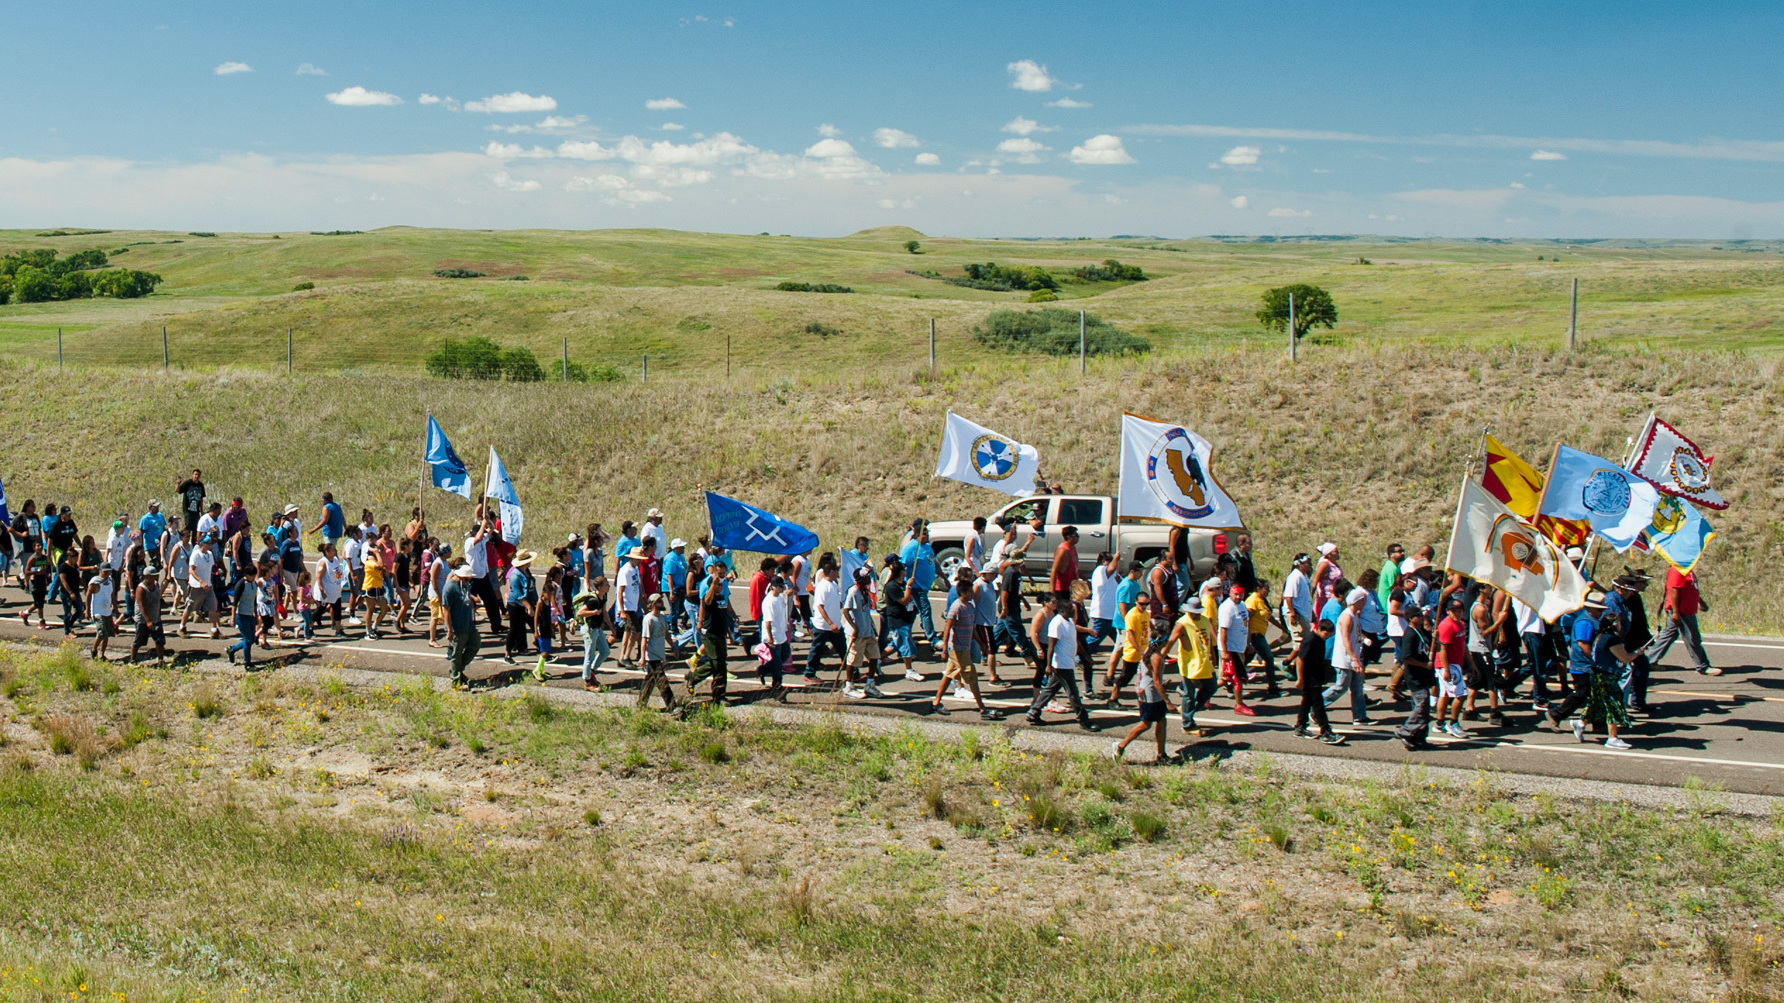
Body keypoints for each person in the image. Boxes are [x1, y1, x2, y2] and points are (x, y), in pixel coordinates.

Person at [935, 568, 1006, 721]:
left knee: (949, 674)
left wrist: (980, 643)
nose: (972, 594)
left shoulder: (970, 606)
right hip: (957, 648)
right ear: (962, 593)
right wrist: (945, 649)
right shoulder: (956, 607)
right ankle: (982, 709)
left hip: (965, 647)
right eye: (969, 592)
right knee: (972, 676)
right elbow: (948, 628)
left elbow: (973, 628)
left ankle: (936, 702)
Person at [1110, 606, 1177, 764]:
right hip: (1150, 693)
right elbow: (1157, 681)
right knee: (1146, 723)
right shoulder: (1156, 658)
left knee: (1161, 720)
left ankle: (1161, 754)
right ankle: (1120, 746)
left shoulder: (1149, 650)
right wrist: (1169, 702)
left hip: (1145, 689)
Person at [1646, 566, 1716, 675]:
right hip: (1682, 610)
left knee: (1670, 634)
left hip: (1687, 609)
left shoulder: (1687, 569)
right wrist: (1676, 612)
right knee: (1692, 637)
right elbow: (1674, 590)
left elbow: (1692, 588)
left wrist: (1700, 602)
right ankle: (1702, 666)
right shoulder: (1677, 570)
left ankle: (1648, 661)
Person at [1167, 595, 1217, 737]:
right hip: (1189, 663)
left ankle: (1188, 710)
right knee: (1189, 694)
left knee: (1212, 686)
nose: (1195, 614)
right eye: (1193, 612)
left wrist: (1212, 654)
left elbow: (1208, 639)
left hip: (1203, 661)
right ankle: (1187, 724)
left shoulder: (1205, 620)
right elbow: (1172, 640)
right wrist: (1161, 654)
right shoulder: (1182, 623)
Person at [1323, 587, 1373, 725]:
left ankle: (1360, 717)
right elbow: (1345, 639)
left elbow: (1355, 634)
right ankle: (1317, 705)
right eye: (1363, 601)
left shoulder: (1355, 615)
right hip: (1344, 659)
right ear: (1356, 601)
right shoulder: (1347, 617)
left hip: (1354, 657)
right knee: (1341, 687)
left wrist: (1364, 639)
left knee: (1357, 688)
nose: (1365, 603)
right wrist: (1354, 659)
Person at [1293, 617, 1345, 745]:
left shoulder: (1320, 639)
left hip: (1315, 675)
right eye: (1326, 634)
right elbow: (1300, 659)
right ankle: (1325, 730)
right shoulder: (1310, 640)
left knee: (1307, 701)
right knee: (1318, 704)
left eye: (1329, 635)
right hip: (1310, 676)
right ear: (1319, 629)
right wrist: (1300, 678)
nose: (1327, 637)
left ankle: (1300, 726)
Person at [1394, 606, 1437, 749]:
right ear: (1411, 619)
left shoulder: (1421, 631)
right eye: (1418, 615)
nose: (1421, 616)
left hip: (1425, 675)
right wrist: (1424, 665)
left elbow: (1430, 643)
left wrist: (1433, 634)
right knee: (1422, 704)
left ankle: (1419, 737)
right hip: (1415, 676)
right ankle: (1406, 730)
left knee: (1424, 710)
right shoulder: (1410, 635)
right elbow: (1406, 657)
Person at [840, 567, 885, 699]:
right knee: (853, 659)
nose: (868, 578)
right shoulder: (853, 591)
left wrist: (872, 628)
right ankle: (849, 686)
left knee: (874, 656)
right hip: (857, 633)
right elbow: (846, 611)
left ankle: (870, 684)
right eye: (866, 576)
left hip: (868, 631)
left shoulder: (865, 591)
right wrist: (854, 627)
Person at [692, 561, 732, 704]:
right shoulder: (709, 592)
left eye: (722, 585)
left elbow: (723, 613)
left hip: (720, 632)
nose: (720, 586)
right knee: (718, 666)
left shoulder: (721, 596)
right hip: (710, 633)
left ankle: (693, 677)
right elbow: (706, 602)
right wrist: (713, 585)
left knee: (719, 663)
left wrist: (729, 632)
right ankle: (719, 696)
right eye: (718, 585)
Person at [1216, 584, 1258, 716]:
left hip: (1240, 647)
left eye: (1241, 594)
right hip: (1230, 648)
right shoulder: (1227, 608)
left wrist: (1248, 642)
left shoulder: (1242, 605)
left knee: (1226, 678)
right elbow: (1223, 631)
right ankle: (1239, 704)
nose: (1238, 597)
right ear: (1230, 593)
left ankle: (1203, 695)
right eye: (1236, 594)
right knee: (1235, 677)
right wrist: (1224, 651)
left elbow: (1246, 623)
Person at [1433, 598, 1471, 739]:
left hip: (1457, 663)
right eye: (1454, 611)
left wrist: (1470, 662)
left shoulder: (1460, 625)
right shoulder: (1447, 626)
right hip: (1448, 664)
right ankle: (1453, 723)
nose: (1457, 614)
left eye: (1459, 611)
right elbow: (1442, 649)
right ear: (1448, 611)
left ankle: (1439, 722)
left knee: (1445, 694)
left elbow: (1463, 645)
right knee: (1461, 694)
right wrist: (1447, 669)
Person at [880, 556, 922, 681]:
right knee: (905, 644)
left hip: (906, 618)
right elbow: (903, 601)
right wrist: (909, 587)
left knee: (895, 644)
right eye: (904, 569)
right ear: (900, 572)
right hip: (897, 620)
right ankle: (909, 670)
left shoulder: (902, 584)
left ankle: (876, 660)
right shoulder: (892, 587)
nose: (906, 571)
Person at [804, 554, 846, 680]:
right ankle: (809, 673)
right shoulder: (823, 586)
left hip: (835, 625)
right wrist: (830, 623)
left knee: (843, 649)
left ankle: (853, 672)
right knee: (816, 650)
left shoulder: (832, 584)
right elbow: (820, 607)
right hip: (823, 626)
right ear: (831, 571)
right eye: (836, 571)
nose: (838, 574)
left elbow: (832, 603)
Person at [1107, 592, 1151, 708]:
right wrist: (1139, 650)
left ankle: (1146, 699)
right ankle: (1113, 699)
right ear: (1136, 602)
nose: (1144, 606)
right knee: (1124, 677)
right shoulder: (1132, 615)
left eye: (1147, 604)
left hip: (1142, 651)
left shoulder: (1145, 614)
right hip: (1132, 653)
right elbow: (1130, 635)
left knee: (1145, 676)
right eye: (1142, 604)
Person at [899, 524, 940, 647]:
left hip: (925, 586)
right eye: (924, 534)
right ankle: (932, 639)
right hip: (917, 587)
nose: (927, 536)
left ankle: (905, 633)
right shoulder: (911, 548)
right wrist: (904, 585)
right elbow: (902, 566)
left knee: (914, 611)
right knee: (925, 610)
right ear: (917, 535)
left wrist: (943, 577)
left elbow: (933, 562)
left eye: (927, 533)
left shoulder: (927, 547)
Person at [1244, 578, 1285, 697]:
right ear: (1258, 589)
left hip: (1259, 634)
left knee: (1244, 660)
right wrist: (1248, 640)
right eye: (1266, 589)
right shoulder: (1252, 601)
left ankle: (1231, 681)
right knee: (1269, 658)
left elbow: (1269, 617)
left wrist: (1282, 627)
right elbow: (1247, 620)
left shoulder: (1262, 600)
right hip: (1254, 635)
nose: (1268, 591)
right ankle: (1272, 687)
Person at [461, 516, 502, 634]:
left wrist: (488, 521)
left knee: (492, 602)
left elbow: (492, 530)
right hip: (472, 578)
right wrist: (483, 525)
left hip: (484, 576)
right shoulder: (469, 542)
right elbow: (478, 537)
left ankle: (496, 625)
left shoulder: (483, 538)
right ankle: (470, 627)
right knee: (470, 604)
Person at [443, 563, 481, 690]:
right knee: (456, 653)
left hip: (468, 623)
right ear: (459, 577)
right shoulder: (450, 588)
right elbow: (446, 610)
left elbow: (466, 598)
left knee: (475, 644)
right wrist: (449, 629)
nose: (467, 582)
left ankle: (458, 670)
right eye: (466, 579)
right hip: (457, 627)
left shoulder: (465, 586)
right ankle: (455, 679)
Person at [638, 593, 677, 710]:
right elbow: (644, 639)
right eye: (659, 601)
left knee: (649, 681)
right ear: (653, 604)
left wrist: (673, 647)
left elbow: (666, 634)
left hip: (659, 655)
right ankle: (672, 705)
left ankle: (641, 703)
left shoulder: (662, 617)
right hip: (652, 656)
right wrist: (643, 657)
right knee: (662, 681)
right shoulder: (648, 619)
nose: (662, 603)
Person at [179, 534, 223, 639]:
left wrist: (217, 573)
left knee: (212, 607)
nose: (210, 545)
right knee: (190, 607)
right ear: (201, 544)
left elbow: (211, 568)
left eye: (210, 543)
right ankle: (182, 627)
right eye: (208, 543)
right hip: (196, 587)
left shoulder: (209, 554)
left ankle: (214, 630)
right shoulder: (196, 555)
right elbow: (191, 570)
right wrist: (201, 581)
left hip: (208, 586)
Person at [759, 575, 792, 700]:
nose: (782, 588)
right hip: (773, 635)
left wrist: (786, 624)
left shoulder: (780, 598)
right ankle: (777, 686)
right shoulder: (769, 601)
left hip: (781, 633)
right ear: (773, 587)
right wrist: (770, 638)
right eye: (779, 586)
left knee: (785, 654)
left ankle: (763, 669)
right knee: (777, 663)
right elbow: (768, 622)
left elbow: (782, 613)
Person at [128, 565, 168, 665]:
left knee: (160, 640)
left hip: (155, 618)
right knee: (138, 641)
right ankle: (132, 660)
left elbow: (158, 600)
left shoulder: (155, 585)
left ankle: (161, 660)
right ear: (146, 576)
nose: (156, 577)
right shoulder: (141, 589)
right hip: (143, 620)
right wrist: (148, 621)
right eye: (153, 575)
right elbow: (141, 606)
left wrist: (158, 614)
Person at [504, 551, 537, 664]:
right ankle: (508, 653)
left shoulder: (525, 572)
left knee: (535, 625)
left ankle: (543, 650)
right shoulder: (515, 575)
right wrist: (529, 607)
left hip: (526, 603)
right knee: (515, 628)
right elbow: (519, 595)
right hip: (515, 605)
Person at [225, 563, 261, 668]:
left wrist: (255, 614)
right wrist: (233, 618)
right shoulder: (241, 584)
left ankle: (232, 649)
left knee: (251, 639)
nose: (253, 577)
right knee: (248, 639)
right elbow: (235, 603)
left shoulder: (254, 584)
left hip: (250, 614)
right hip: (241, 615)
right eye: (252, 575)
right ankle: (247, 662)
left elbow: (254, 600)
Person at [532, 565, 561, 682]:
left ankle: (541, 670)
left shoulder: (548, 602)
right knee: (545, 652)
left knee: (547, 650)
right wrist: (535, 630)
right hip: (541, 628)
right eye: (548, 594)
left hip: (547, 627)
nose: (549, 597)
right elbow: (536, 616)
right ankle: (537, 669)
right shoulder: (541, 602)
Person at [1280, 553, 1314, 648]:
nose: (1310, 565)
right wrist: (1293, 614)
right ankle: (1290, 662)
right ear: (1299, 563)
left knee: (1306, 642)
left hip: (1304, 614)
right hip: (1297, 614)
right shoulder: (1294, 577)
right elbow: (1288, 597)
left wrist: (1312, 613)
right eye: (1307, 562)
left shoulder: (1304, 577)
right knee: (1300, 643)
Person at [616, 552, 644, 666]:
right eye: (637, 559)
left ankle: (622, 656)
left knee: (628, 632)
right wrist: (622, 610)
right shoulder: (625, 571)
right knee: (636, 630)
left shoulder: (635, 569)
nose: (639, 561)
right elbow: (620, 591)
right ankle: (626, 656)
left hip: (634, 606)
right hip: (627, 607)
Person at [86, 567, 117, 660]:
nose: (107, 574)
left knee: (107, 634)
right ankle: (93, 649)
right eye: (105, 572)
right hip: (97, 611)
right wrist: (87, 610)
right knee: (101, 633)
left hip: (107, 611)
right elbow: (88, 595)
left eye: (109, 572)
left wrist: (116, 608)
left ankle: (102, 654)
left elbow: (112, 595)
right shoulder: (95, 582)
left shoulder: (111, 581)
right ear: (100, 571)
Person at [55, 547, 83, 636]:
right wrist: (70, 593)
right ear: (69, 558)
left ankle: (69, 624)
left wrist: (85, 585)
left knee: (79, 610)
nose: (76, 561)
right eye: (75, 559)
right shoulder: (63, 567)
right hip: (66, 593)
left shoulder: (75, 566)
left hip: (76, 591)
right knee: (67, 612)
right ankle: (67, 631)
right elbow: (63, 581)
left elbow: (78, 577)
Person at [1050, 525, 1081, 598]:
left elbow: (1075, 567)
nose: (1078, 537)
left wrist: (1085, 579)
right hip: (1062, 589)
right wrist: (1052, 591)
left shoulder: (1072, 548)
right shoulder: (1062, 550)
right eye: (1075, 535)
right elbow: (1054, 570)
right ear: (1069, 537)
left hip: (1071, 587)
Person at [175, 469, 206, 534]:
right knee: (188, 526)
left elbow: (201, 499)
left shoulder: (201, 485)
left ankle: (194, 542)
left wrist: (202, 510)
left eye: (198, 475)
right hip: (187, 509)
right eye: (195, 474)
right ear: (192, 475)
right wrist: (178, 483)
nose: (196, 476)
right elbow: (178, 491)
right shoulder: (188, 483)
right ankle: (183, 538)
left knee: (196, 527)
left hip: (196, 510)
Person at [1376, 543, 1404, 612]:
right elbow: (1394, 588)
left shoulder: (1393, 566)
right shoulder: (1392, 568)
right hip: (1387, 606)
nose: (1402, 553)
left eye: (1403, 551)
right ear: (1391, 554)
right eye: (1399, 551)